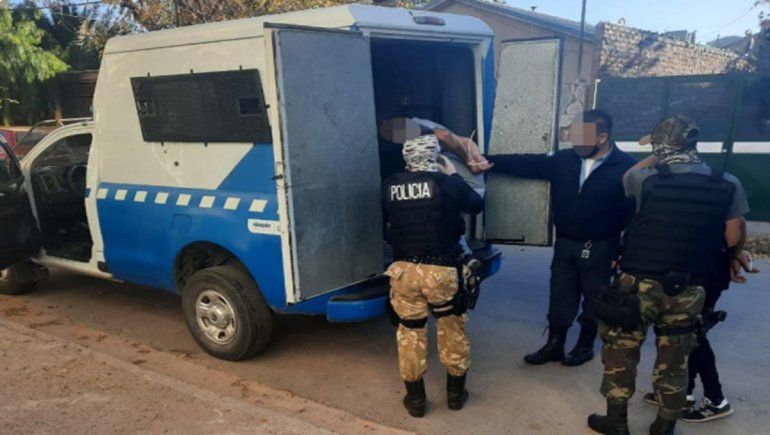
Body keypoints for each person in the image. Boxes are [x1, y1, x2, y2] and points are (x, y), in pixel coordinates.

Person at [588, 115, 751, 435]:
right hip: (689, 286)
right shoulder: (727, 182)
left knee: (621, 350)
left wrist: (658, 155)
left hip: (638, 283)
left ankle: (616, 422)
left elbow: (627, 175)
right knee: (675, 358)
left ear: (661, 147)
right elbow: (734, 235)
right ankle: (664, 426)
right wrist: (735, 256)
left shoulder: (645, 179)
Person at [486, 109, 636, 367]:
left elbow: (633, 213)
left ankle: (584, 346)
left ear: (601, 138)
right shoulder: (564, 160)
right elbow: (527, 164)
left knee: (595, 297)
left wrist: (623, 250)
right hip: (566, 242)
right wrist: (486, 160)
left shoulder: (626, 167)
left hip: (601, 245)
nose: (575, 142)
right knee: (560, 294)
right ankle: (555, 344)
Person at [382, 124, 484, 418]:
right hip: (441, 270)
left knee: (410, 334)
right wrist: (453, 175)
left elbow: (387, 224)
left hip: (403, 271)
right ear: (435, 157)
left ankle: (415, 401)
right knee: (452, 330)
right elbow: (476, 204)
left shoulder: (391, 185)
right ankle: (455, 395)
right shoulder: (446, 183)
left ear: (407, 158)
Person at [642, 245, 758, 422]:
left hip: (707, 271)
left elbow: (735, 231)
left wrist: (736, 254)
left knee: (694, 332)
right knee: (690, 330)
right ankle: (685, 393)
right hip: (696, 268)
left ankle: (716, 399)